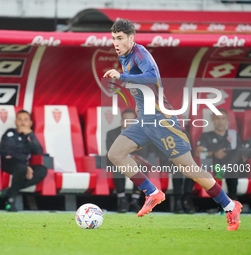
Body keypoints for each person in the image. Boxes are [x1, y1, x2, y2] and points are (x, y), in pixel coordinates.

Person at [103, 19, 242, 231]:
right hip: (145, 120)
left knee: (189, 169)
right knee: (115, 154)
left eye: (120, 38)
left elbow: (152, 77)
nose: (116, 42)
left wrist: (121, 76)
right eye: (113, 38)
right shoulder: (125, 56)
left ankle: (230, 205)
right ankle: (152, 192)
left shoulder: (140, 53)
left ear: (131, 38)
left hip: (161, 119)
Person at [0, 110, 47, 212]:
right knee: (21, 167)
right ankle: (11, 201)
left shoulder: (30, 137)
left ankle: (9, 191)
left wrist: (31, 135)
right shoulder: (10, 133)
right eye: (20, 119)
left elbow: (38, 151)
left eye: (26, 120)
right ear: (16, 122)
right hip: (7, 163)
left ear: (30, 123)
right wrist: (26, 167)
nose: (23, 122)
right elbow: (8, 151)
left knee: (42, 170)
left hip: (22, 166)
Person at [195, 109, 245, 201]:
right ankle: (232, 200)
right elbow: (198, 152)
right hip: (214, 166)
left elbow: (239, 153)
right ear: (212, 119)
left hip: (231, 167)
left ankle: (232, 200)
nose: (220, 121)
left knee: (235, 160)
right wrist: (214, 154)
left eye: (223, 118)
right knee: (231, 166)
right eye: (217, 118)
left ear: (227, 120)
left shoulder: (232, 135)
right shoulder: (206, 136)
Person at [106, 109, 142, 213]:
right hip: (117, 161)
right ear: (121, 121)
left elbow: (144, 153)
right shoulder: (111, 134)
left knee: (141, 167)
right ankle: (122, 200)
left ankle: (135, 200)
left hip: (135, 162)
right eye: (126, 120)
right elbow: (111, 151)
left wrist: (136, 158)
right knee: (119, 165)